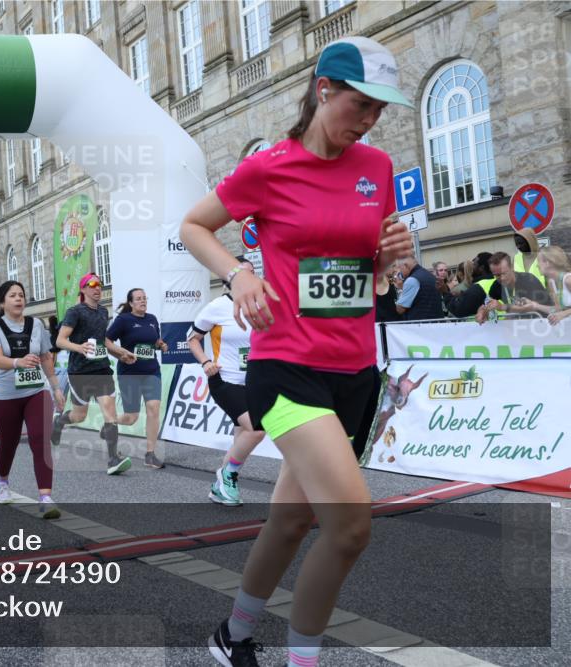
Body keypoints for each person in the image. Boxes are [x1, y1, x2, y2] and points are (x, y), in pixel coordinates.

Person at [179, 36, 415, 667]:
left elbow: (371, 274)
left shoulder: (378, 169)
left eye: (379, 111)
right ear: (324, 89)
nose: (368, 121)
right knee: (349, 524)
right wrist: (239, 275)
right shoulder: (269, 166)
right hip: (287, 368)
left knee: (289, 522)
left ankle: (232, 637)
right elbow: (193, 226)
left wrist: (391, 263)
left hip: (355, 371)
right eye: (359, 105)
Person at [186, 257, 267, 505]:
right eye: (245, 273)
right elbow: (192, 338)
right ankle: (226, 474)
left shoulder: (261, 305)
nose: (251, 278)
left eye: (254, 273)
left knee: (241, 437)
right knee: (256, 429)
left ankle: (221, 487)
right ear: (230, 279)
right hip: (225, 380)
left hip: (254, 381)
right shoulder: (217, 307)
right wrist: (205, 362)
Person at [0, 281, 66, 518]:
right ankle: (2, 481)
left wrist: (56, 388)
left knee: (41, 440)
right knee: (8, 444)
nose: (19, 299)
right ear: (2, 302)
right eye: (13, 295)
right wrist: (18, 362)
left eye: (21, 295)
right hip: (5, 396)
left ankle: (45, 497)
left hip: (35, 392)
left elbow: (45, 356)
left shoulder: (36, 324)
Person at [52, 273, 137, 475]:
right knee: (79, 415)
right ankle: (59, 422)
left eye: (99, 284)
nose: (97, 288)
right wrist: (78, 348)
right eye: (92, 285)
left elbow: (104, 342)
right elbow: (60, 341)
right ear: (83, 289)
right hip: (80, 371)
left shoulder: (102, 311)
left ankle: (113, 459)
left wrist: (122, 353)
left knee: (110, 411)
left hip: (101, 368)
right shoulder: (75, 312)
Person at [105, 287, 169, 468]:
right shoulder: (124, 320)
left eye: (144, 298)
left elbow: (154, 342)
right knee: (132, 417)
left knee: (153, 409)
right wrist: (121, 352)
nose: (143, 301)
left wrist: (161, 345)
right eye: (139, 299)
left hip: (151, 370)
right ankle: (110, 424)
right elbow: (107, 340)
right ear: (131, 303)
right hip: (130, 372)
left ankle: (150, 454)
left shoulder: (152, 319)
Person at [476, 251, 552, 323]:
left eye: (504, 273)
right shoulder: (497, 285)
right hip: (519, 327)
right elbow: (487, 302)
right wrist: (482, 312)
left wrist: (503, 307)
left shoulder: (528, 280)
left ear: (512, 267)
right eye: (497, 275)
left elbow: (530, 308)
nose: (502, 278)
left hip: (543, 323)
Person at [521, 245, 571, 325]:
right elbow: (557, 310)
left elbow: (562, 313)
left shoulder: (568, 280)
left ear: (547, 263)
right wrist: (535, 305)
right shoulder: (551, 283)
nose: (537, 265)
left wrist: (564, 314)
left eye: (538, 261)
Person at [394, 255, 443, 320]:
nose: (400, 272)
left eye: (400, 268)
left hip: (420, 325)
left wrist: (400, 290)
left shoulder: (411, 280)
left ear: (405, 265)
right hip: (437, 323)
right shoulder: (430, 275)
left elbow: (400, 309)